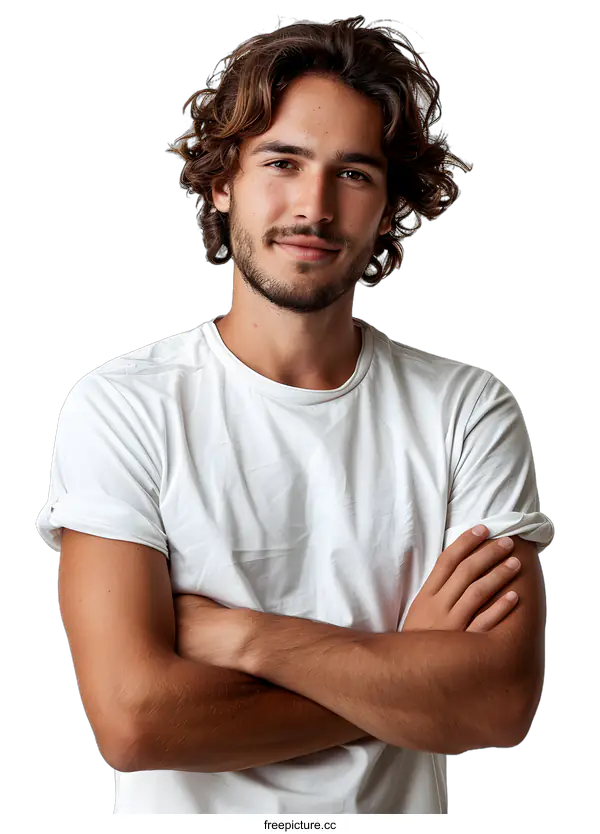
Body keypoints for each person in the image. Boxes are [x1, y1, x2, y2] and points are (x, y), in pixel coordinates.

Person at [35, 16, 553, 814]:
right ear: (222, 181)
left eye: (353, 174)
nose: (313, 206)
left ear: (388, 208)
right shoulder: (124, 407)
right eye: (282, 162)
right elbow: (136, 723)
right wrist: (407, 677)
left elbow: (496, 707)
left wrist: (245, 637)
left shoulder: (467, 412)